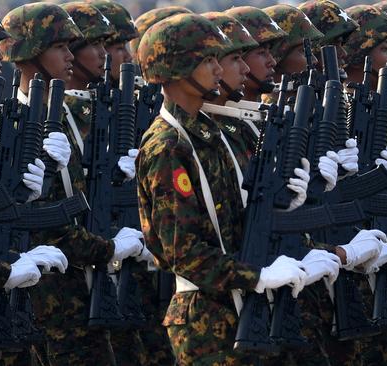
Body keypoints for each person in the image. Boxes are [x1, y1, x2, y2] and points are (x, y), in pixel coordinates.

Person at [136, 13, 311, 365]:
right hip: (206, 323)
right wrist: (257, 276)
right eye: (208, 59)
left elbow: (236, 225)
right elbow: (182, 252)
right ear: (178, 67)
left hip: (243, 305)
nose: (218, 69)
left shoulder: (209, 134)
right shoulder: (168, 145)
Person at [0, 3, 145, 365]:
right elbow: (36, 219)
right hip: (45, 292)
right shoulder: (8, 122)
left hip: (89, 285)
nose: (69, 56)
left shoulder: (74, 114)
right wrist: (107, 248)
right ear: (30, 54)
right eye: (59, 47)